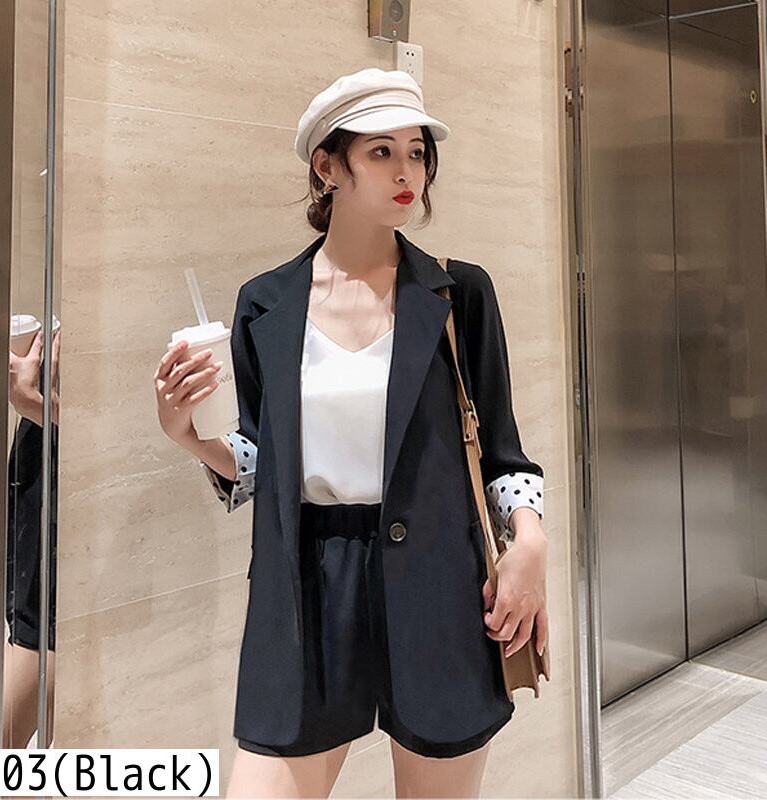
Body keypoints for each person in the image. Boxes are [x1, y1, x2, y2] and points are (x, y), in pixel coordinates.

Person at [154, 67, 548, 798]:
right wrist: (190, 436)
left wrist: (530, 542)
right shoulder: (265, 305)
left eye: (417, 153)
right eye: (381, 152)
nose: (407, 173)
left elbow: (501, 450)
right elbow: (260, 458)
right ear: (327, 166)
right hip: (306, 587)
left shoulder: (458, 293)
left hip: (439, 583)